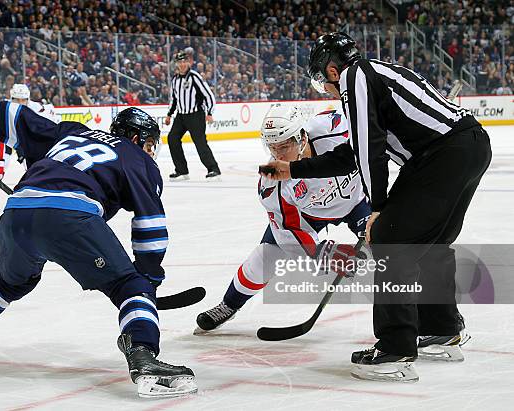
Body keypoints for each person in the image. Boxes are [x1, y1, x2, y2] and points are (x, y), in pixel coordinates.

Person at [260, 32, 491, 382]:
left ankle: (394, 350)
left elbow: (371, 151)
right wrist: (295, 168)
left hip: (441, 157)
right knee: (428, 244)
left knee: (390, 241)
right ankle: (442, 329)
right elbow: (355, 154)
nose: (325, 89)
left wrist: (378, 209)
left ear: (333, 71)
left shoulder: (356, 79)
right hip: (464, 149)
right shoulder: (373, 74)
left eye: (322, 81)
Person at [0, 107, 197, 398]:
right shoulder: (138, 159)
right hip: (69, 216)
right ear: (135, 138)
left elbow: (10, 115)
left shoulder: (71, 132)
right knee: (130, 286)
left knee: (10, 282)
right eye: (149, 144)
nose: (150, 151)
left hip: (16, 211)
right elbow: (151, 226)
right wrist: (148, 279)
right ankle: (143, 357)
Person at [196, 104, 369, 332]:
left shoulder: (335, 128)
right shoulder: (272, 182)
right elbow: (289, 232)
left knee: (395, 244)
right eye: (272, 147)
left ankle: (412, 321)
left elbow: (373, 136)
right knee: (264, 257)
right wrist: (324, 253)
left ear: (302, 136)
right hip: (308, 217)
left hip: (357, 201)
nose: (278, 154)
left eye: (285, 145)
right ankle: (229, 305)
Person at [0, 84, 60, 216]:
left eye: (23, 100)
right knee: (0, 165)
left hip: (22, 138)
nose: (21, 103)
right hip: (3, 137)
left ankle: (36, 192)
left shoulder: (36, 108)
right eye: (17, 100)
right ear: (11, 98)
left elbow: (51, 119)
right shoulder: (2, 108)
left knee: (33, 166)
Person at [166, 50, 221, 181]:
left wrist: (209, 112)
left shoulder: (194, 77)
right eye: (180, 62)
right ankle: (181, 170)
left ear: (189, 62)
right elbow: (174, 99)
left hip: (196, 115)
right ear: (176, 64)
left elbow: (208, 95)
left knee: (200, 142)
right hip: (181, 115)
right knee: (172, 138)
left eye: (185, 61)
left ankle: (213, 169)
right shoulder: (174, 80)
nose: (182, 64)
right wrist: (169, 114)